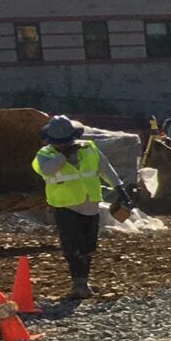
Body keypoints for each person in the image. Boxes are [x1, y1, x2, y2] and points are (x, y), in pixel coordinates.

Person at [31, 115, 110, 300]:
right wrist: (63, 156)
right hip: (65, 207)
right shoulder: (45, 155)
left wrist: (120, 187)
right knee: (72, 245)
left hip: (90, 204)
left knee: (88, 245)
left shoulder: (88, 148)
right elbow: (47, 170)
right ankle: (78, 282)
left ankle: (84, 281)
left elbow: (104, 168)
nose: (65, 145)